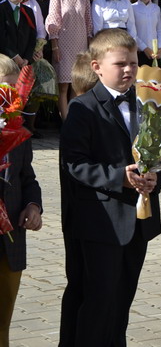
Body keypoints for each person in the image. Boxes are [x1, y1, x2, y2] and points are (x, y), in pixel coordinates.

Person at [59, 29, 161, 346]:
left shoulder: (148, 102)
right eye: (120, 64)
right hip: (99, 223)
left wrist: (156, 176)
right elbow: (74, 165)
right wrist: (118, 177)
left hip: (138, 221)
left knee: (122, 300)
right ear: (96, 66)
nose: (129, 70)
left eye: (133, 63)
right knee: (97, 301)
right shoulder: (83, 108)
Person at [0, 58, 43, 347]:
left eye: (16, 89)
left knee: (2, 321)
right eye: (5, 88)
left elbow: (27, 177)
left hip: (11, 239)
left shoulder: (19, 129)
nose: (12, 96)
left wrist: (33, 206)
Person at [45, 0, 92, 119]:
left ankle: (73, 119)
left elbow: (88, 23)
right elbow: (53, 22)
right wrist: (55, 47)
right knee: (63, 85)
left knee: (77, 85)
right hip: (63, 44)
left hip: (80, 44)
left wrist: (89, 47)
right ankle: (65, 122)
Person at [0, 0, 37, 70]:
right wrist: (15, 56)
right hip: (5, 60)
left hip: (24, 61)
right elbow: (2, 36)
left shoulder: (28, 11)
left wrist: (27, 58)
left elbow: (32, 36)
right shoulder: (2, 9)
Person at [131, 0, 161, 67]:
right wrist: (144, 48)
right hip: (140, 52)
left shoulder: (156, 8)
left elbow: (159, 30)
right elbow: (133, 32)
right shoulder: (132, 8)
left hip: (155, 53)